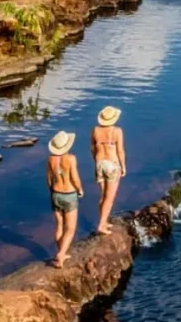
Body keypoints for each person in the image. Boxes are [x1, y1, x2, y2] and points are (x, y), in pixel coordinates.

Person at [46, 131, 84, 268]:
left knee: (60, 225)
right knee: (71, 227)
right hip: (69, 194)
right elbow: (75, 178)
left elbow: (49, 180)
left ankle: (61, 256)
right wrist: (80, 189)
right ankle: (61, 254)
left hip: (55, 193)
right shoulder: (71, 158)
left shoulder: (50, 159)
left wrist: (52, 192)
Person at [91, 106, 126, 236]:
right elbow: (120, 151)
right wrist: (123, 166)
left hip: (99, 163)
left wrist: (96, 161)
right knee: (110, 197)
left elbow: (92, 149)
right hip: (112, 164)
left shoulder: (95, 130)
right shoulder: (117, 131)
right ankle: (101, 225)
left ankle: (104, 221)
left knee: (103, 195)